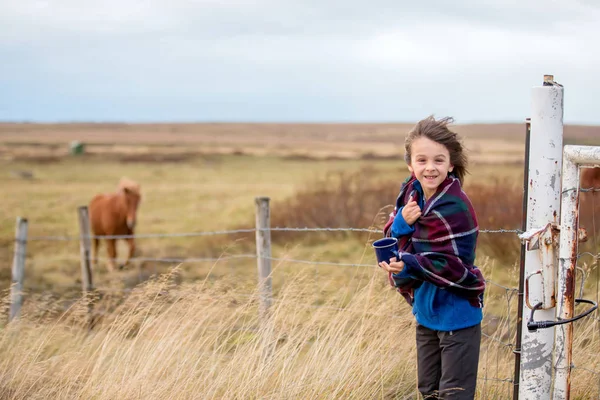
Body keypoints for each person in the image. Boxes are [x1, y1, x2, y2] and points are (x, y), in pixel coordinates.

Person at [378, 116, 485, 400]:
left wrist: (409, 262)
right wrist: (401, 222)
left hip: (457, 315)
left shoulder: (455, 206)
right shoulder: (411, 197)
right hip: (426, 313)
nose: (430, 167)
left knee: (454, 395)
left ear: (451, 164)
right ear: (410, 164)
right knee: (428, 392)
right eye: (422, 160)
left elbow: (452, 267)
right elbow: (392, 236)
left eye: (439, 160)